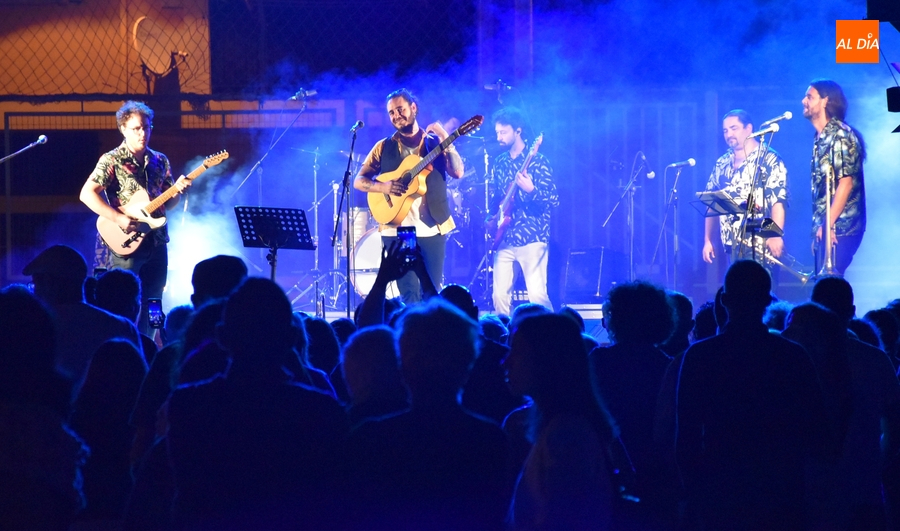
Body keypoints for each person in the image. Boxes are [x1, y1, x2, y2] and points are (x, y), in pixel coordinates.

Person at [79, 101, 191, 334]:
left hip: (157, 242)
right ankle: (121, 343)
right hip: (126, 242)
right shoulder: (111, 160)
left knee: (155, 302)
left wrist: (177, 192)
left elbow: (169, 204)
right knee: (122, 301)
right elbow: (86, 194)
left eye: (147, 127)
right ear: (123, 129)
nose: (143, 133)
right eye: (136, 128)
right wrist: (118, 218)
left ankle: (148, 344)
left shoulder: (160, 160)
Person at [353, 88, 465, 304]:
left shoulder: (435, 143)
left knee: (432, 294)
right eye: (391, 112)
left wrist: (445, 138)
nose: (396, 116)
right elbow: (359, 181)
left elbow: (458, 172)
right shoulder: (382, 147)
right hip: (398, 228)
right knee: (409, 294)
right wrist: (383, 187)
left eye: (400, 109)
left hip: (432, 226)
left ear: (413, 108)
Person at [488, 107, 559, 316]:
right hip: (505, 238)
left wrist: (531, 190)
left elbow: (554, 200)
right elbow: (496, 198)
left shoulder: (539, 161)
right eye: (497, 132)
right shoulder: (499, 162)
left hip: (532, 237)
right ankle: (506, 334)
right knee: (499, 297)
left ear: (518, 131)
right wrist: (491, 217)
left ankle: (554, 331)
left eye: (503, 132)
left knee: (537, 296)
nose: (499, 137)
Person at [702, 109, 789, 270]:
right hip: (731, 244)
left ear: (748, 128)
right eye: (725, 130)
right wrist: (708, 240)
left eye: (734, 128)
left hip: (761, 244)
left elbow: (779, 200)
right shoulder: (722, 163)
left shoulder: (769, 158)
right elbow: (711, 202)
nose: (729, 134)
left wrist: (775, 234)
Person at [802, 79, 867, 276]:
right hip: (827, 228)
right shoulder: (820, 138)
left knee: (831, 284)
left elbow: (846, 184)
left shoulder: (841, 135)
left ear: (825, 101)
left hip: (842, 228)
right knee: (823, 283)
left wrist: (828, 224)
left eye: (809, 97)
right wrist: (820, 228)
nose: (803, 101)